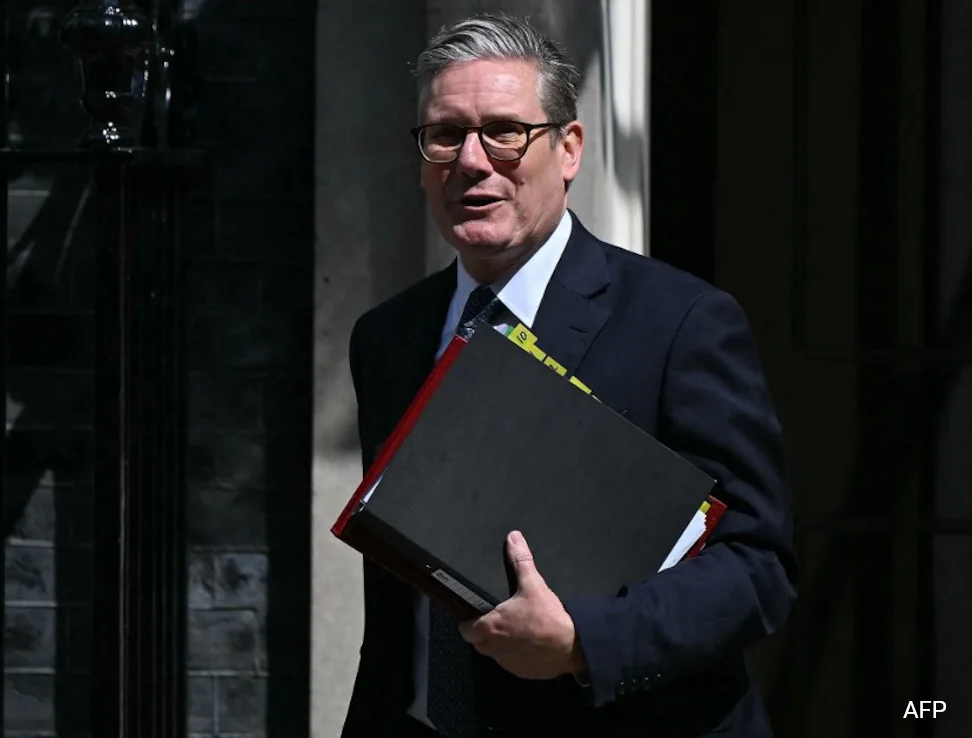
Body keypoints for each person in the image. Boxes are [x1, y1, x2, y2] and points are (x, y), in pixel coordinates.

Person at [339, 11, 798, 738]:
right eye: (446, 134)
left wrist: (585, 641)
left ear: (570, 148)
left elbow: (756, 566)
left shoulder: (680, 323)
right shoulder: (387, 337)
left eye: (505, 132)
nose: (472, 161)